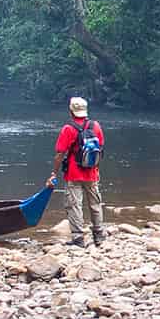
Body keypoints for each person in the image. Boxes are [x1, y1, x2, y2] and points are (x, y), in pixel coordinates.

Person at [51, 96, 105, 247]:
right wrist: (97, 169)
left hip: (74, 174)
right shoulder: (96, 126)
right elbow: (100, 150)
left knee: (74, 205)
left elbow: (60, 153)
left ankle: (78, 238)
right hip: (92, 173)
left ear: (71, 111)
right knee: (95, 204)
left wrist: (54, 173)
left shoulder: (68, 128)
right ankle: (99, 235)